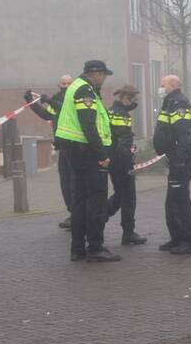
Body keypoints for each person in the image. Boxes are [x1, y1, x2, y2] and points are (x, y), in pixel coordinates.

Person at [54, 60, 120, 262]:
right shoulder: (85, 91)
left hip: (76, 151)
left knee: (80, 201)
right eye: (104, 75)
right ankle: (95, 247)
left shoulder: (76, 87)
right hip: (88, 152)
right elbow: (89, 125)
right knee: (96, 201)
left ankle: (77, 248)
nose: (104, 79)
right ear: (96, 73)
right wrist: (102, 155)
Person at [153, 75, 191, 255]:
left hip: (181, 161)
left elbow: (184, 134)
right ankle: (177, 238)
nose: (161, 88)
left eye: (163, 85)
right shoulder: (170, 102)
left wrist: (180, 159)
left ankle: (190, 241)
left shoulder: (180, 103)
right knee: (172, 202)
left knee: (180, 202)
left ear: (172, 85)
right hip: (174, 159)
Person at [26, 74, 74, 229]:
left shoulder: (76, 98)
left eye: (69, 83)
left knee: (75, 182)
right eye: (63, 84)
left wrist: (49, 100)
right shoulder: (56, 99)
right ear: (59, 86)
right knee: (65, 183)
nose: (66, 86)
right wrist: (30, 102)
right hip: (63, 147)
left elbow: (67, 109)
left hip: (76, 148)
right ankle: (73, 213)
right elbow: (46, 115)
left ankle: (79, 215)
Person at [105, 85, 147, 246]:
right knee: (128, 197)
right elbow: (123, 140)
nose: (134, 103)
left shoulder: (111, 110)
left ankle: (99, 219)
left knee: (120, 194)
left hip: (113, 159)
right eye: (133, 99)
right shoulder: (121, 114)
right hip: (121, 162)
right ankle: (128, 233)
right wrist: (128, 160)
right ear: (125, 98)